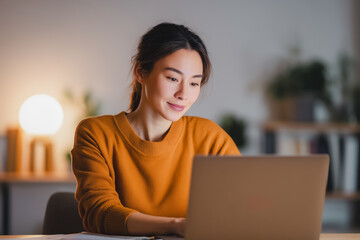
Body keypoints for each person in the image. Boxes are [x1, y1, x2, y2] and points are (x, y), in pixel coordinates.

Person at [71, 22, 240, 237]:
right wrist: (175, 226)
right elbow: (100, 213)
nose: (183, 94)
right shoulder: (96, 133)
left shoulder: (210, 138)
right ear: (141, 73)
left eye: (194, 83)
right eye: (172, 78)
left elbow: (243, 208)